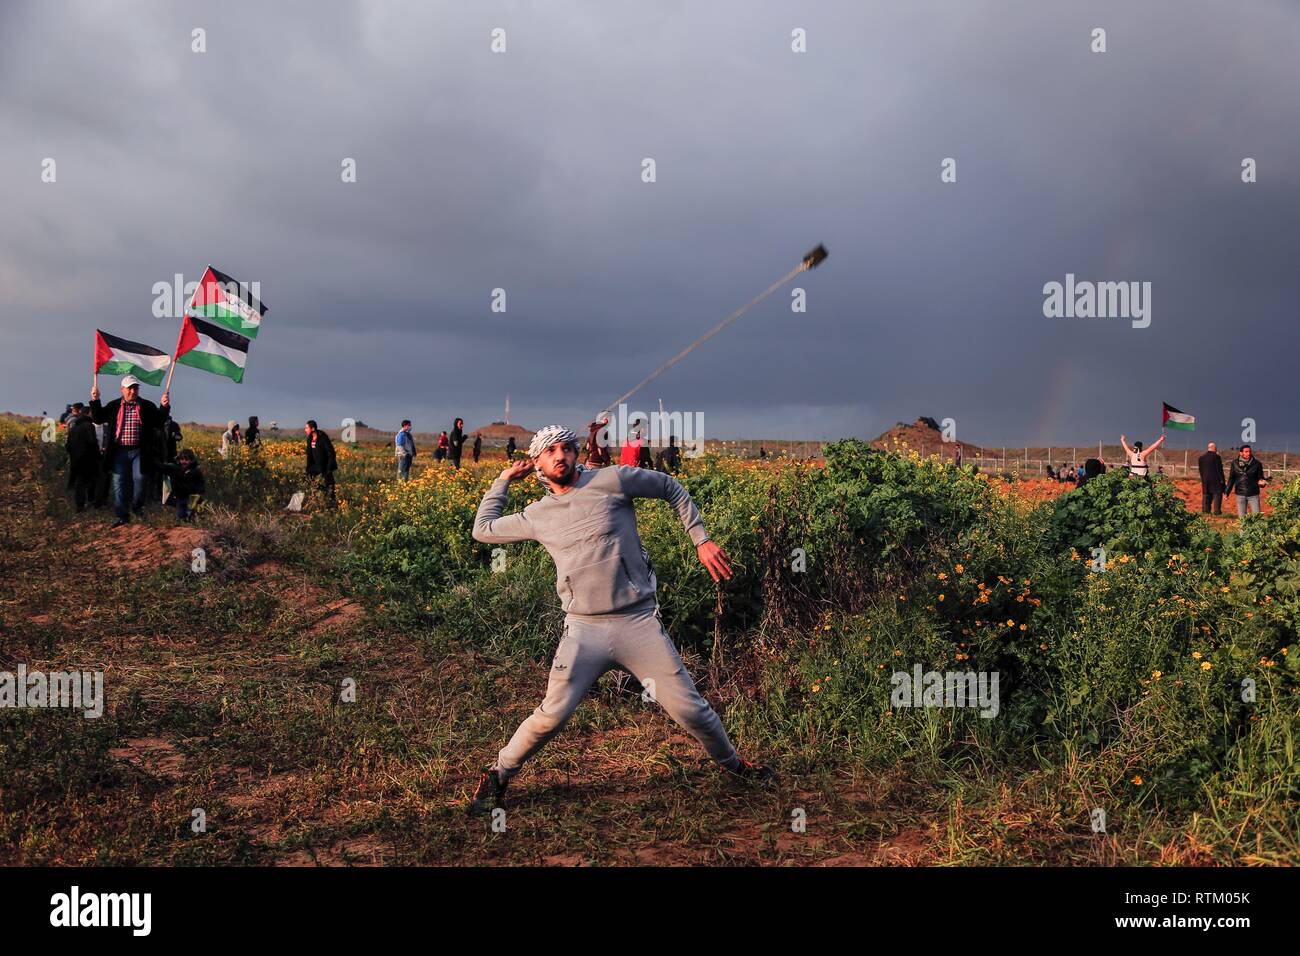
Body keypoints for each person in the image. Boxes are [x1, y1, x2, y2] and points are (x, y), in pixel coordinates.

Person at [466, 425, 776, 815]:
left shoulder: (612, 481)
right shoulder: (537, 515)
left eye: (567, 448)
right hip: (583, 630)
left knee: (691, 711)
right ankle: (497, 775)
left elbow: (669, 486)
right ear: (538, 462)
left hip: (638, 623)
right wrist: (504, 479)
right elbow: (483, 530)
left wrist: (701, 539)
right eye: (550, 452)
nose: (560, 456)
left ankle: (735, 766)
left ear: (577, 453)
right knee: (550, 717)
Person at [89, 375, 173, 528]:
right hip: (119, 451)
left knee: (140, 479)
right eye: (130, 388)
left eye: (135, 388)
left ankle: (137, 507)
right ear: (122, 389)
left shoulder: (146, 406)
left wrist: (164, 406)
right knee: (118, 482)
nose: (133, 391)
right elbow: (98, 418)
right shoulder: (114, 406)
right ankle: (122, 515)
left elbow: (159, 421)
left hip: (139, 451)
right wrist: (95, 400)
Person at [65, 404, 100, 512]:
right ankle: (91, 500)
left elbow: (68, 445)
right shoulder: (89, 426)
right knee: (92, 480)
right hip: (88, 458)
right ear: (88, 413)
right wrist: (97, 455)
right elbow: (92, 442)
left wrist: (73, 456)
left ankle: (79, 505)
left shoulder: (74, 428)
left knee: (79, 482)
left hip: (76, 459)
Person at [1225, 444, 1267, 518]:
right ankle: (1243, 530)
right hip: (1240, 494)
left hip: (1253, 494)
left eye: (1249, 451)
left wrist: (1262, 483)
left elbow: (1260, 478)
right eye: (1246, 452)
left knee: (1257, 517)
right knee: (1242, 518)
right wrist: (1227, 492)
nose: (1249, 453)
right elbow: (1231, 478)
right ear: (1241, 453)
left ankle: (1256, 530)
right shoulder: (1234, 463)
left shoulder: (1257, 464)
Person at [163, 449, 206, 521]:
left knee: (191, 511)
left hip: (192, 495)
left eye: (186, 460)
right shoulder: (177, 470)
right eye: (182, 459)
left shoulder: (195, 471)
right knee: (180, 513)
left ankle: (192, 520)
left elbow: (200, 482)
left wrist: (200, 492)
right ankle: (183, 521)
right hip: (180, 496)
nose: (184, 461)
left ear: (192, 460)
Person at [304, 420, 338, 505]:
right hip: (317, 465)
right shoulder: (310, 438)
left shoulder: (322, 437)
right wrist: (308, 468)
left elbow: (331, 452)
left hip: (326, 465)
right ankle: (323, 490)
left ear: (313, 428)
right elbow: (309, 455)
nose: (305, 430)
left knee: (330, 485)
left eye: (306, 428)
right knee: (307, 478)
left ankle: (332, 505)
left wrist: (329, 467)